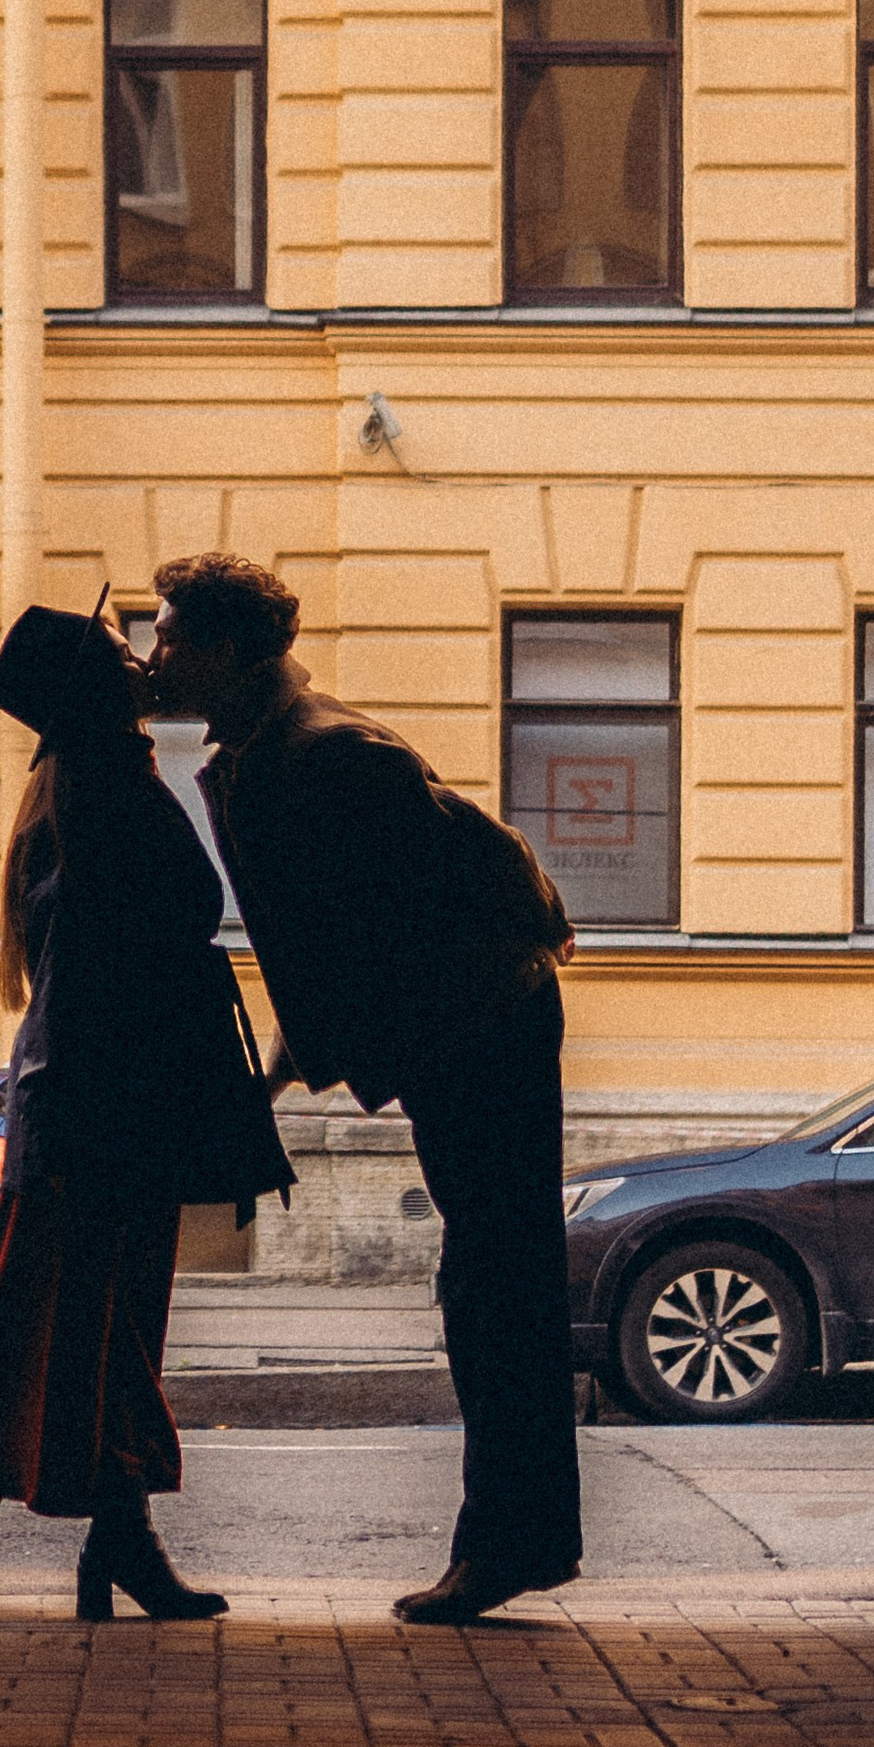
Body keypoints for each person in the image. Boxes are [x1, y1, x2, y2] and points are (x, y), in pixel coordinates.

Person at [145, 549, 581, 1625]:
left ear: (226, 648)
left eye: (167, 635)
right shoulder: (267, 747)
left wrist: (302, 1065)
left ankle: (510, 1545)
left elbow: (472, 869)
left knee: (497, 1293)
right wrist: (285, 1072)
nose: (154, 655)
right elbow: (328, 948)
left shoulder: (331, 752)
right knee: (486, 1286)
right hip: (459, 1037)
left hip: (483, 1033)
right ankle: (512, 1543)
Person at [0, 596, 293, 1618]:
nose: (140, 660)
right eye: (122, 650)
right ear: (87, 685)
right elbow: (118, 965)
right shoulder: (105, 782)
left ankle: (5, 1518)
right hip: (100, 1110)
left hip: (93, 1106)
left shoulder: (87, 777)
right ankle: (74, 1533)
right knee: (94, 1331)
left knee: (80, 1331)